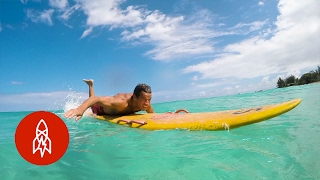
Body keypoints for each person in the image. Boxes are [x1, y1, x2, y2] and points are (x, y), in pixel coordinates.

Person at [64, 79, 154, 121]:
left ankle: (91, 85)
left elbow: (153, 114)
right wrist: (79, 110)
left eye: (149, 99)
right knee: (92, 107)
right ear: (135, 97)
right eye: (144, 100)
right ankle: (91, 85)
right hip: (101, 110)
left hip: (115, 109)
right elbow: (95, 99)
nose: (147, 103)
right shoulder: (121, 102)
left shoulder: (146, 104)